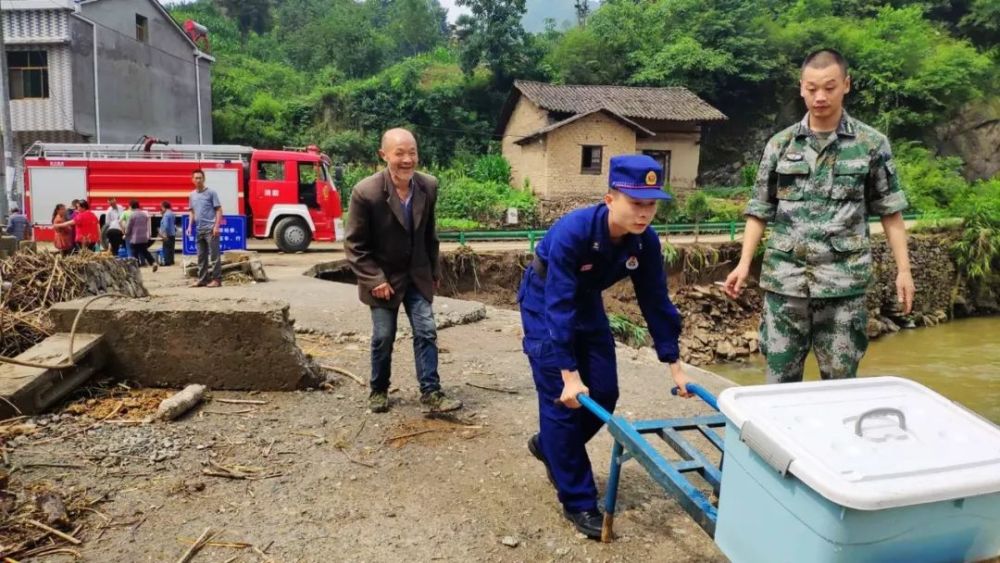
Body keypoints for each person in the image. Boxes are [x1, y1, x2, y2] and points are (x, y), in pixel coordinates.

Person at [518, 154, 693, 539]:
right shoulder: (574, 232)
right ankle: (578, 500)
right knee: (564, 402)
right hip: (545, 299)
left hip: (588, 302)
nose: (644, 213)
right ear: (611, 199)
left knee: (606, 392)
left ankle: (552, 448)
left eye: (651, 204)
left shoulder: (644, 241)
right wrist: (568, 373)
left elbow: (655, 300)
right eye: (636, 203)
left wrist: (674, 362)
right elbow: (558, 304)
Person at [723, 49, 914, 383]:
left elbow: (890, 212)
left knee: (839, 385)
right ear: (801, 88)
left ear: (846, 85)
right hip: (786, 285)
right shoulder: (780, 145)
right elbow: (759, 210)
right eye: (812, 89)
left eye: (829, 87)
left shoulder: (871, 144)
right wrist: (742, 264)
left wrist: (904, 271)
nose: (820, 96)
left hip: (843, 287)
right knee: (778, 384)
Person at [345, 128, 462, 414]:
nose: (407, 159)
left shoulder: (428, 186)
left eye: (412, 152)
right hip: (383, 279)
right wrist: (375, 279)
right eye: (399, 153)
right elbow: (354, 244)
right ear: (383, 155)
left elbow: (429, 235)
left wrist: (434, 271)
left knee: (426, 330)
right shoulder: (367, 192)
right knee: (384, 336)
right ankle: (378, 390)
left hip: (417, 275)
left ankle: (431, 392)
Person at [187, 169, 222, 287]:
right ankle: (202, 279)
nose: (198, 180)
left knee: (214, 256)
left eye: (200, 178)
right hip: (199, 229)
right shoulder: (192, 195)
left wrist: (216, 226)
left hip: (210, 230)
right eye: (196, 178)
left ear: (204, 179)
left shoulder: (211, 193)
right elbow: (191, 212)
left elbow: (218, 210)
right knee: (201, 256)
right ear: (192, 180)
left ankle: (217, 280)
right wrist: (189, 226)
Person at [125, 200, 157, 271]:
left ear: (131, 206)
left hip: (135, 238)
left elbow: (128, 227)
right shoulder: (144, 214)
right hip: (144, 237)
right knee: (145, 251)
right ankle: (153, 262)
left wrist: (126, 234)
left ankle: (136, 267)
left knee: (134, 252)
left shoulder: (132, 215)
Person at [158, 201, 177, 266]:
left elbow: (165, 226)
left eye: (161, 207)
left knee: (166, 248)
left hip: (167, 234)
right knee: (171, 248)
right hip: (172, 233)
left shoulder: (166, 215)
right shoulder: (172, 213)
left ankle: (167, 262)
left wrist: (163, 234)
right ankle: (171, 261)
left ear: (164, 207)